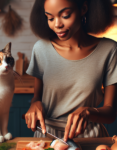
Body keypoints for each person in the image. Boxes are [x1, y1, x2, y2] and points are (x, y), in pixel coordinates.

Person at [25, 0, 117, 142]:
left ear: (83, 9)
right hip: (48, 136)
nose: (57, 25)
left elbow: (111, 113)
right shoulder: (41, 48)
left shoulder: (109, 50)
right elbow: (37, 97)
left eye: (65, 15)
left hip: (89, 138)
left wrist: (89, 112)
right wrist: (34, 104)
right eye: (50, 18)